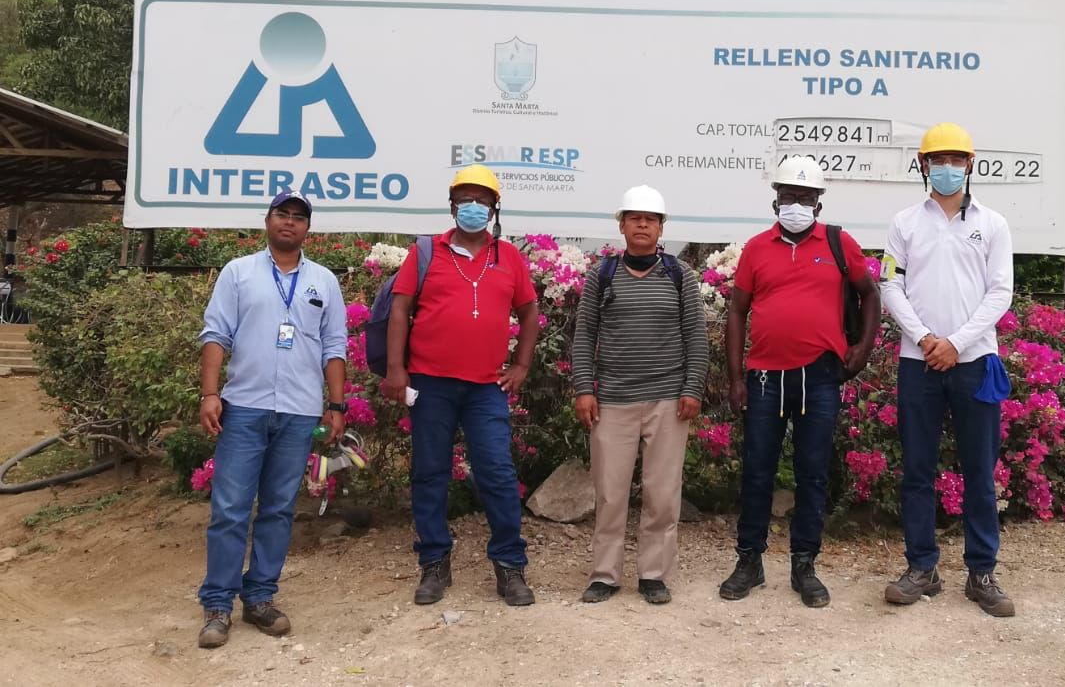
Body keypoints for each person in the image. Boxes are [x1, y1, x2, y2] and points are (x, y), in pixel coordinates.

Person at [719, 156, 880, 608]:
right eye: (788, 196)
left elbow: (870, 295)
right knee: (757, 472)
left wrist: (862, 349)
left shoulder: (837, 243)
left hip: (821, 375)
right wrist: (736, 377)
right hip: (765, 376)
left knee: (811, 473)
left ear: (818, 202)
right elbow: (736, 311)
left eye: (804, 197)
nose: (795, 204)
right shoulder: (756, 248)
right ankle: (749, 562)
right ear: (775, 199)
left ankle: (804, 565)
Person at [380, 164, 541, 607]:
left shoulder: (508, 257)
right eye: (465, 199)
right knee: (429, 474)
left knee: (498, 474)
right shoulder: (426, 251)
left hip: (486, 388)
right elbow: (400, 310)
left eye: (482, 200)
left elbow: (529, 312)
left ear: (494, 208)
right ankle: (434, 563)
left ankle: (509, 567)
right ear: (452, 206)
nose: (474, 207)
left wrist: (522, 365)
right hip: (430, 384)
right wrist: (397, 369)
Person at [196, 191, 349, 649]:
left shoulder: (324, 281)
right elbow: (216, 333)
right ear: (267, 221)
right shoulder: (238, 273)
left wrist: (336, 405)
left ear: (307, 228)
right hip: (244, 406)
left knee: (279, 509)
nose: (289, 222)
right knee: (229, 509)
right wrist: (209, 393)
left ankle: (260, 597)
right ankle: (218, 603)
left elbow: (334, 345)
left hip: (300, 411)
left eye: (298, 217)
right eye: (282, 214)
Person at [880, 122, 1016, 618]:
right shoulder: (903, 224)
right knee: (917, 471)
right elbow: (889, 286)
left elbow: (1000, 292)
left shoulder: (993, 224)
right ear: (922, 166)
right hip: (918, 364)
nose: (948, 168)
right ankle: (922, 568)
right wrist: (925, 339)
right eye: (939, 160)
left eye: (958, 159)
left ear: (971, 165)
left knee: (980, 471)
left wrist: (956, 343)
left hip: (975, 363)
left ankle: (982, 573)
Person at [572, 185, 710, 605]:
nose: (642, 225)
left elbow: (696, 337)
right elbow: (585, 335)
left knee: (662, 493)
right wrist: (583, 388)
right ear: (622, 225)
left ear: (662, 226)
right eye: (634, 218)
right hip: (612, 398)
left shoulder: (679, 274)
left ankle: (654, 574)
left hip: (668, 399)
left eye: (650, 219)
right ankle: (604, 575)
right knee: (610, 493)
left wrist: (692, 388)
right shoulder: (603, 274)